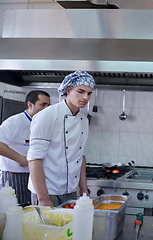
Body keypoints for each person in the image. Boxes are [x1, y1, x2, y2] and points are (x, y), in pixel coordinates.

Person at [27, 70, 95, 207]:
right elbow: (34, 159)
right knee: (47, 228)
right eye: (80, 91)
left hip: (70, 190)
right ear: (68, 90)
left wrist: (83, 189)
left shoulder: (83, 120)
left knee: (69, 228)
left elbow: (80, 156)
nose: (86, 97)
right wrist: (43, 198)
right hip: (47, 190)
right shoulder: (47, 116)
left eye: (89, 93)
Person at [0, 90, 50, 205]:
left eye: (48, 105)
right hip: (13, 176)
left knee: (32, 211)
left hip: (34, 175)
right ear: (30, 105)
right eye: (43, 105)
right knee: (16, 212)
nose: (46, 109)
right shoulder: (15, 122)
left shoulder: (44, 124)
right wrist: (19, 158)